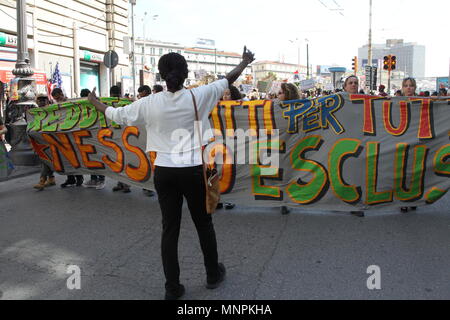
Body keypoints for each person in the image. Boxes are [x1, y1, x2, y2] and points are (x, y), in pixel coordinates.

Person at [88, 47, 255, 300]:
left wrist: (94, 102)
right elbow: (228, 79)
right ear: (186, 74)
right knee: (204, 224)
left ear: (161, 75)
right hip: (195, 170)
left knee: (170, 229)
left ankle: (172, 287)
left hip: (165, 172)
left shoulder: (148, 103)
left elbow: (115, 115)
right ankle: (212, 274)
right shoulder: (200, 95)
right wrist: (245, 61)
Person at [51, 88, 84, 188]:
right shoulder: (55, 106)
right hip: (61, 134)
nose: (58, 100)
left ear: (61, 94)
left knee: (74, 156)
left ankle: (79, 177)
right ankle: (70, 179)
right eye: (56, 99)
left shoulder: (70, 103)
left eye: (58, 97)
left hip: (71, 133)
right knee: (65, 158)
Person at [275, 83, 300, 215]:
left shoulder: (300, 108)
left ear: (288, 94)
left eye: (280, 93)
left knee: (287, 173)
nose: (277, 95)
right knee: (279, 173)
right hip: (277, 144)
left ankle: (285, 200)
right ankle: (280, 200)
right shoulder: (273, 107)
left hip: (292, 145)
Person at [216, 85, 241, 211]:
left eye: (228, 94)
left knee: (232, 171)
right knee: (219, 170)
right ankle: (218, 198)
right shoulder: (216, 108)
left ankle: (231, 198)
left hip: (235, 142)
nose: (225, 97)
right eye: (224, 94)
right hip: (219, 143)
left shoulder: (241, 108)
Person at [80, 89, 106, 190]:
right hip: (87, 135)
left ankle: (101, 179)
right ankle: (93, 179)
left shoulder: (98, 103)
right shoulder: (80, 106)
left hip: (97, 134)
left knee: (98, 157)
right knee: (90, 158)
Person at [400, 77, 419, 213]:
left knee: (416, 171)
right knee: (402, 171)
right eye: (406, 85)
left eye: (411, 86)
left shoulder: (423, 102)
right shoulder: (395, 102)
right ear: (402, 88)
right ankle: (403, 200)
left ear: (415, 88)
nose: (408, 88)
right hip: (401, 141)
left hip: (418, 141)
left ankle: (414, 198)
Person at [109, 85, 132, 193]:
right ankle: (121, 183)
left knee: (124, 161)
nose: (115, 98)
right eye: (114, 96)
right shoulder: (124, 103)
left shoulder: (125, 103)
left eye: (116, 95)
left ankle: (126, 184)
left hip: (123, 137)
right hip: (116, 137)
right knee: (118, 162)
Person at [33, 94, 57, 190]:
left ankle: (42, 180)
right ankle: (51, 178)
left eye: (44, 100)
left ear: (48, 101)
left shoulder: (53, 111)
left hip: (51, 139)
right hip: (40, 140)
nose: (42, 102)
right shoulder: (34, 113)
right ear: (37, 102)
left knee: (45, 159)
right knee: (45, 159)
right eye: (40, 100)